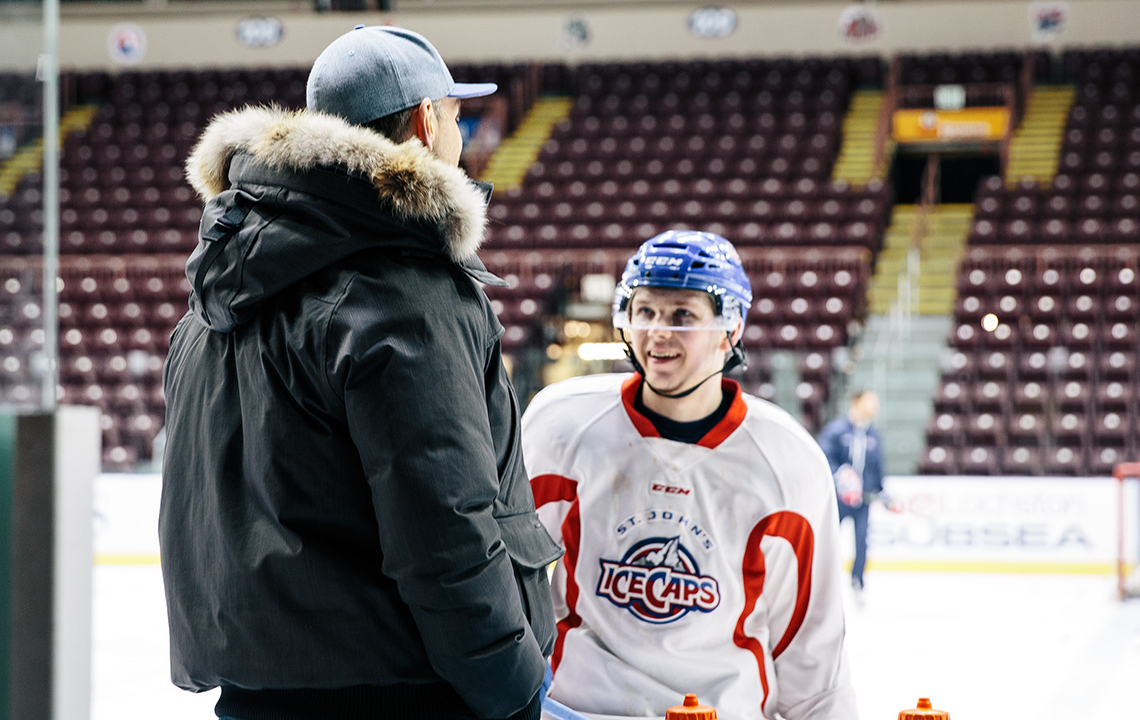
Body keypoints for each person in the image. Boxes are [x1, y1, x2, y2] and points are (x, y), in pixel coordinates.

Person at [159, 25, 561, 720]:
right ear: (425, 120)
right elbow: (446, 529)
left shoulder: (207, 306)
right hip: (400, 694)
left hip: (252, 693)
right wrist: (514, 689)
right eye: (456, 115)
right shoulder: (406, 292)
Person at [523, 230, 857, 720]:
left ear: (731, 330)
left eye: (682, 315)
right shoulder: (563, 423)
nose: (657, 331)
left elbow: (813, 650)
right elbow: (504, 579)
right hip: (576, 710)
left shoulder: (787, 460)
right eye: (645, 311)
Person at [816, 390, 887, 594]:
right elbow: (824, 457)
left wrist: (881, 492)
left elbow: (877, 468)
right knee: (828, 540)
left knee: (862, 541)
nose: (874, 407)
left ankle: (858, 581)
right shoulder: (836, 430)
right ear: (856, 402)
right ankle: (822, 580)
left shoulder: (874, 434)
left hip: (863, 501)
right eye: (870, 402)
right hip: (837, 500)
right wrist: (840, 475)